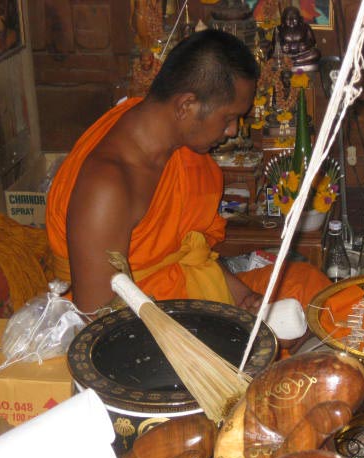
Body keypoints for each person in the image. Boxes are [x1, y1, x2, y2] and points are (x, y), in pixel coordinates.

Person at [46, 29, 330, 317]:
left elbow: (189, 253)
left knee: (311, 289)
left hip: (185, 290)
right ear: (186, 106)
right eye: (229, 118)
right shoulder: (106, 187)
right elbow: (98, 320)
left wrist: (242, 296)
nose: (233, 131)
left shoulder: (177, 149)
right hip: (142, 321)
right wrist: (223, 331)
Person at [271, 6, 321, 70]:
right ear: (283, 19)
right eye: (288, 19)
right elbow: (274, 44)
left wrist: (306, 45)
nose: (291, 22)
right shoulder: (278, 29)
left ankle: (293, 61)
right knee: (271, 55)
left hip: (302, 54)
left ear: (300, 19)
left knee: (316, 53)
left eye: (295, 19)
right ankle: (291, 62)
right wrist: (281, 47)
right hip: (285, 55)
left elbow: (313, 42)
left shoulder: (306, 27)